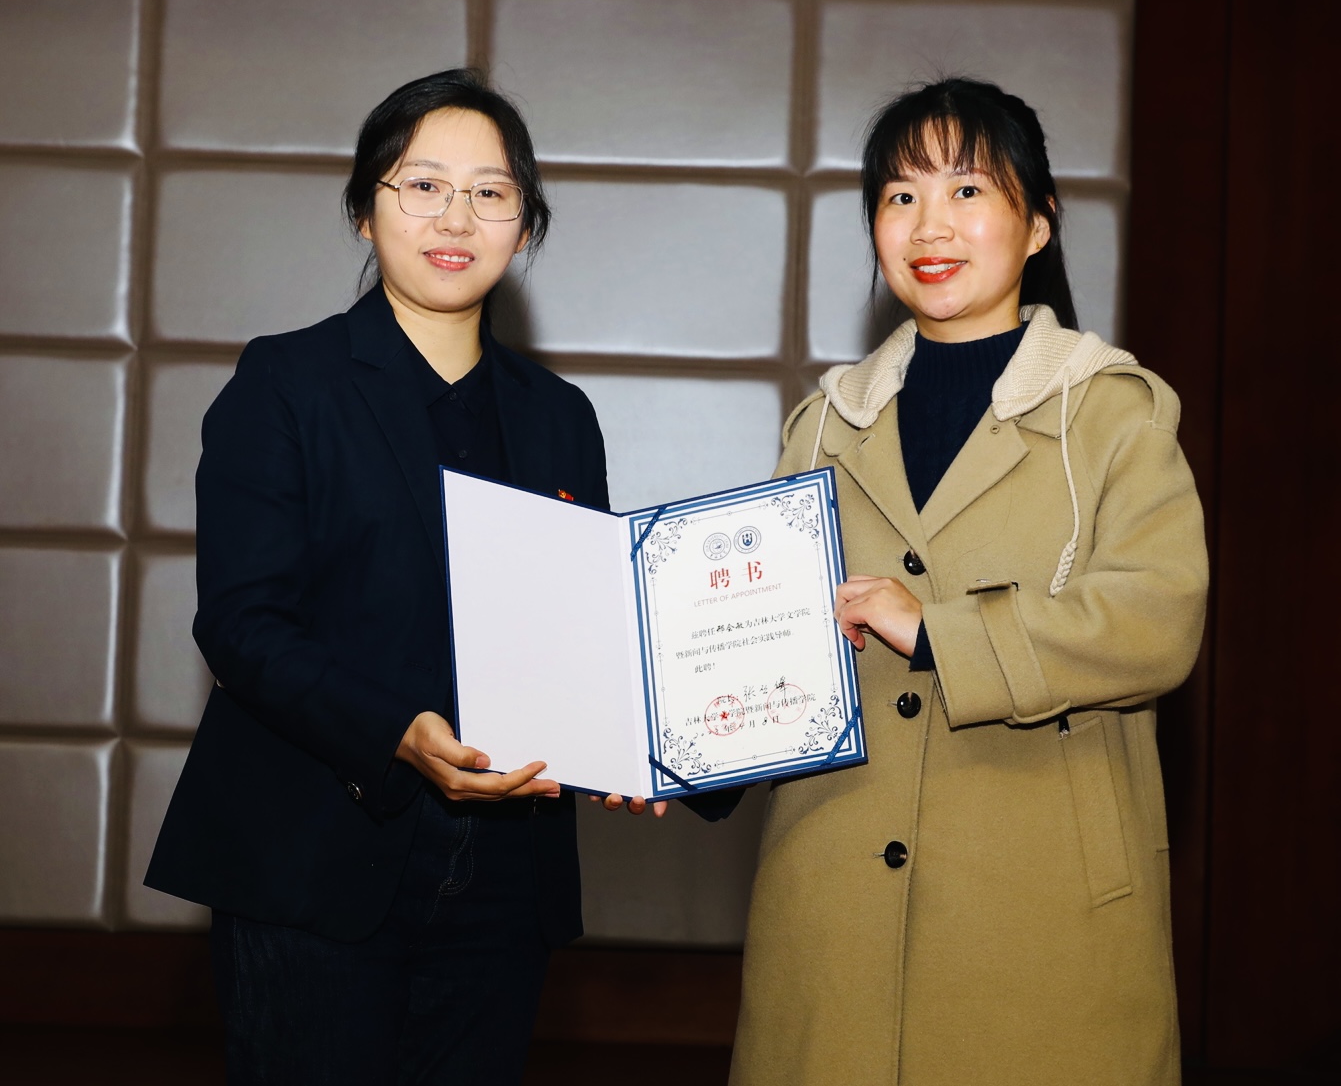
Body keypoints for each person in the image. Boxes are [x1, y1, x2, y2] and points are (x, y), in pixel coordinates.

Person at [145, 68, 657, 1086]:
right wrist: (398, 731)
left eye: (490, 192)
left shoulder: (561, 416)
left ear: (525, 226)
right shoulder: (286, 383)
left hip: (505, 878)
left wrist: (638, 739)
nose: (455, 217)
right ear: (363, 209)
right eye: (422, 185)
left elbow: (580, 627)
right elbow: (243, 624)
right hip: (314, 860)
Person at [728, 78, 1208, 1086]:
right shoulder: (823, 425)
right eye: (899, 196)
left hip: (1039, 914)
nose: (928, 225)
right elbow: (762, 641)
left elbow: (1157, 618)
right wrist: (676, 745)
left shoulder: (1110, 412)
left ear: (1038, 224)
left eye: (967, 190)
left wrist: (941, 633)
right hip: (832, 905)